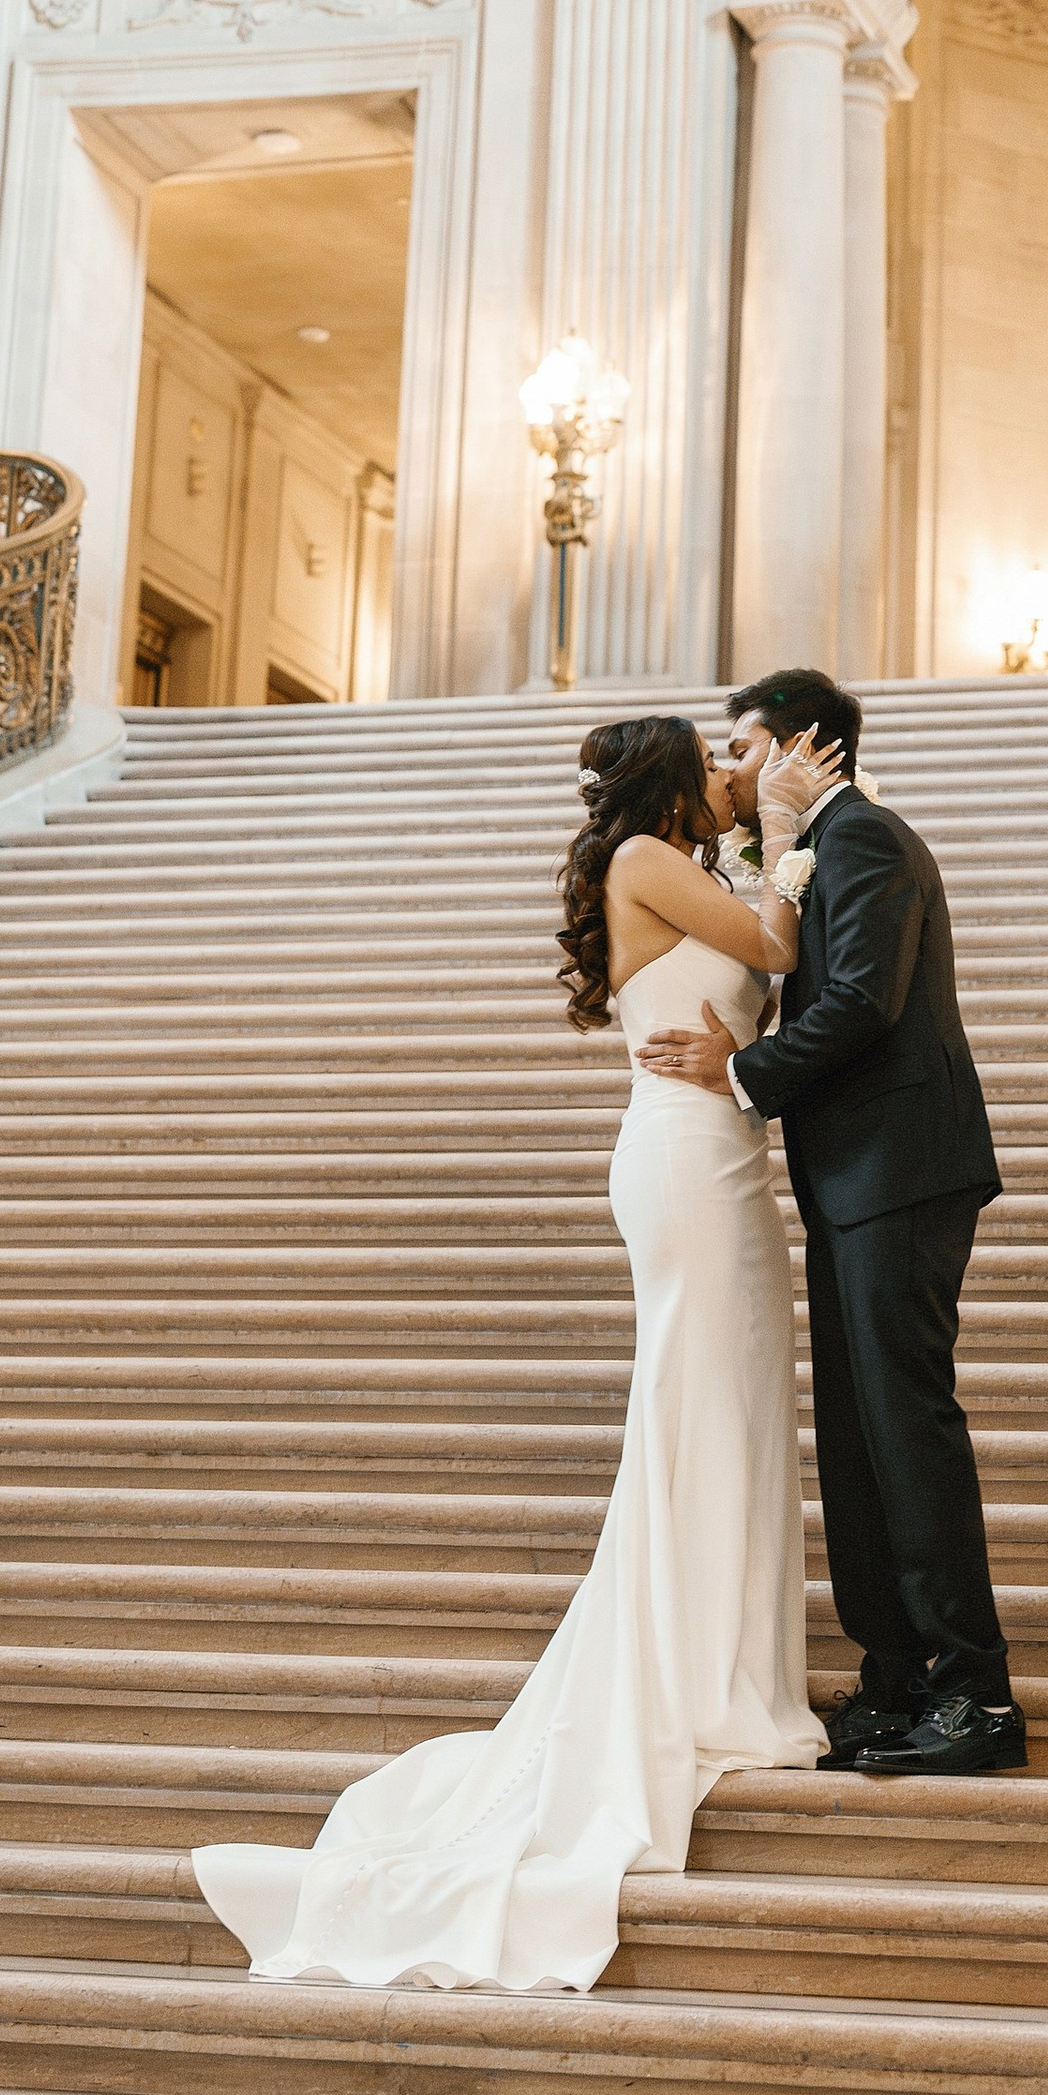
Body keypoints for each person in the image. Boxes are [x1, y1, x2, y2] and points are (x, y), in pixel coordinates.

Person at [190, 709, 838, 1994]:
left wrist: (762, 855)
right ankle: (700, 1687)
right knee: (692, 1411)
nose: (733, 774)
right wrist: (785, 833)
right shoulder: (649, 864)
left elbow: (761, 959)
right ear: (670, 783)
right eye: (715, 762)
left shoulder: (678, 863)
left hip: (721, 1153)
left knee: (735, 1412)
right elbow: (773, 944)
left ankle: (731, 1673)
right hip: (682, 1159)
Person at [639, 668, 1023, 1779]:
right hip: (853, 1176)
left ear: (803, 745)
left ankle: (975, 1695)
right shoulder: (817, 851)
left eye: (743, 745)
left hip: (902, 1170)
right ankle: (895, 1673)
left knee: (904, 1429)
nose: (731, 766)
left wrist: (741, 1069)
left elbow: (863, 999)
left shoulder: (866, 839)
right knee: (858, 1437)